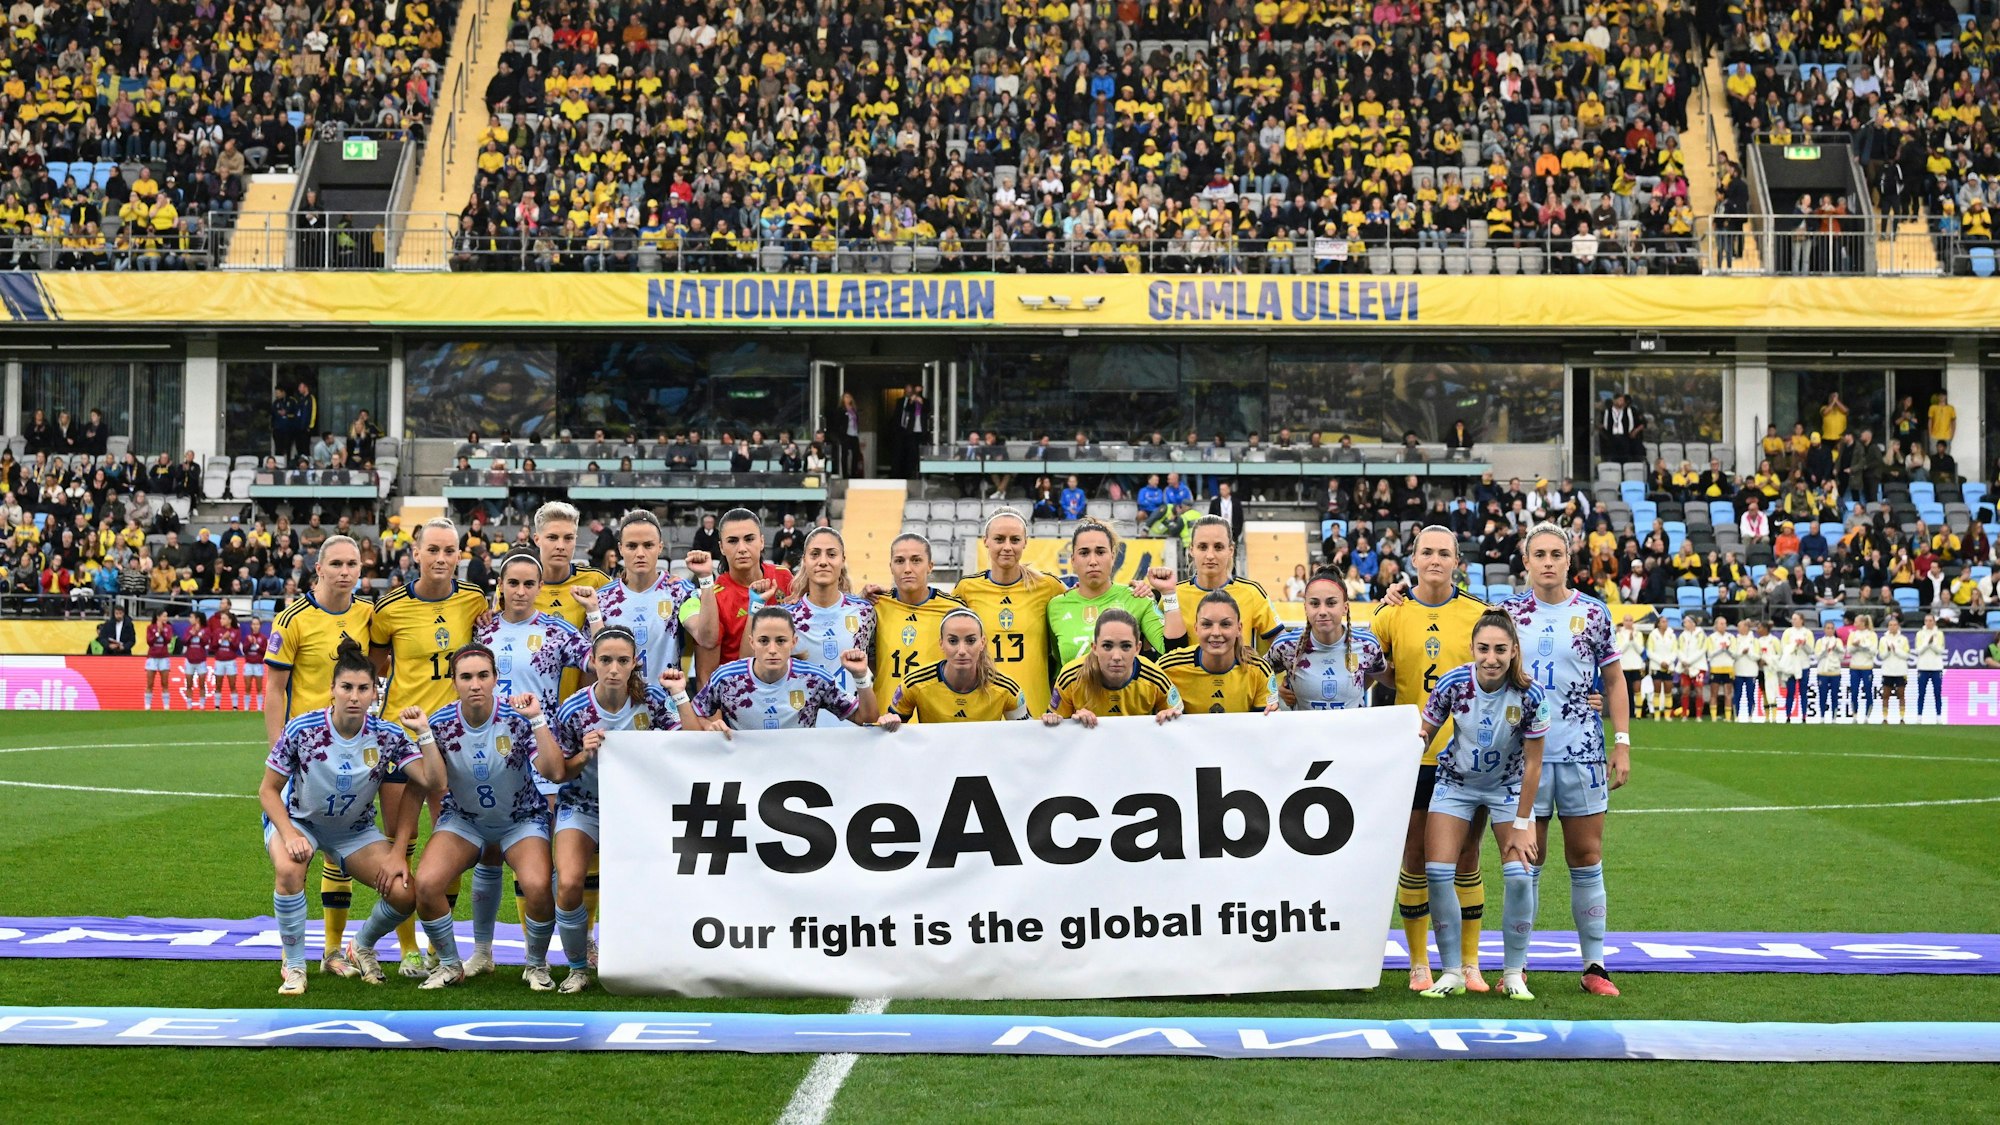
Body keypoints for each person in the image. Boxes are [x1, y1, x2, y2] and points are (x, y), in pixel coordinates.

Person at [259, 638, 440, 995]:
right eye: (346, 687)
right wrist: (290, 834)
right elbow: (267, 791)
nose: (354, 696)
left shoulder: (387, 736)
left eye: (363, 688)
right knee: (289, 869)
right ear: (332, 690)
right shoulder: (302, 729)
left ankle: (360, 944)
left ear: (375, 692)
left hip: (353, 831)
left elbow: (432, 781)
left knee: (404, 893)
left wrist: (424, 733)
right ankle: (295, 966)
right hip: (300, 822)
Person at [1501, 524, 1630, 996]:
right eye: (1540, 554)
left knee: (1586, 857)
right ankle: (1515, 968)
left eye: (1557, 553)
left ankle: (1595, 966)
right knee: (1523, 864)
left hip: (1582, 753)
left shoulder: (1594, 613)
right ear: (1526, 561)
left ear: (1569, 560)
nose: (1549, 561)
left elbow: (1614, 681)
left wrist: (1622, 742)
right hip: (1523, 756)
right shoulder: (1508, 613)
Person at [1370, 526, 1493, 991]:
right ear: (1413, 559)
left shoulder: (1480, 615)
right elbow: (1358, 667)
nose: (1436, 559)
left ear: (1458, 560)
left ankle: (1470, 963)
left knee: (1466, 855)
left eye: (1445, 552)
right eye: (1427, 552)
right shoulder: (1390, 614)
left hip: (1467, 758)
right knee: (1415, 855)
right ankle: (1419, 963)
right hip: (1414, 755)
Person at [367, 516, 490, 978]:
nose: (441, 558)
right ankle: (407, 948)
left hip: (451, 741)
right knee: (405, 840)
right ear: (414, 554)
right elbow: (379, 666)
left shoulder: (474, 600)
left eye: (450, 550)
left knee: (448, 841)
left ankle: (440, 943)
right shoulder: (390, 608)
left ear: (460, 554)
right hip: (400, 738)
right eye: (433, 550)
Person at [405, 644, 560, 990]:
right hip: (465, 820)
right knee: (427, 885)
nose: (475, 684)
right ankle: (449, 964)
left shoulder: (518, 718)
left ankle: (535, 965)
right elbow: (435, 783)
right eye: (466, 677)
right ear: (454, 682)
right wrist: (424, 735)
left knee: (537, 885)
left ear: (495, 679)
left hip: (521, 818)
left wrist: (538, 719)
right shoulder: (440, 723)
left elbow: (553, 769)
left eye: (482, 676)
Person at [1415, 611, 1547, 1001]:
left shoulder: (1531, 694)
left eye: (1500, 650)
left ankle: (1513, 973)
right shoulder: (1454, 683)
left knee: (1522, 874)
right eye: (1484, 649)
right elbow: (1425, 732)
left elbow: (1534, 764)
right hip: (1456, 784)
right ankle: (1452, 972)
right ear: (1472, 649)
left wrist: (1523, 823)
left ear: (1514, 651)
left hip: (1508, 787)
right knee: (1437, 872)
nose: (1491, 658)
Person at [547, 627, 680, 992]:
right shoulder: (574, 708)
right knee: (570, 881)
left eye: (623, 661)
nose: (614, 669)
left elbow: (683, 741)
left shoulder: (651, 700)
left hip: (638, 808)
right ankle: (577, 966)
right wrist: (582, 753)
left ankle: (649, 957)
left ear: (635, 663)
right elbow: (560, 771)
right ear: (592, 661)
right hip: (583, 804)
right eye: (605, 660)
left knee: (654, 883)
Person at [669, 607, 875, 731]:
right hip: (744, 779)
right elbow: (695, 724)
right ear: (752, 642)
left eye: (781, 641)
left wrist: (861, 677)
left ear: (793, 642)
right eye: (764, 641)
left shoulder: (815, 679)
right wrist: (710, 726)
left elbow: (866, 718)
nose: (772, 649)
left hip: (800, 775)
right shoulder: (726, 678)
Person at [953, 510, 1070, 716]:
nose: (1007, 547)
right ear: (986, 541)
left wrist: (1136, 590)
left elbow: (1084, 603)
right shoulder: (966, 589)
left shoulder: (1048, 586)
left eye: (1015, 540)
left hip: (1036, 710)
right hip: (984, 709)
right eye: (999, 539)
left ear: (1025, 542)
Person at [597, 509, 715, 682]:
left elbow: (706, 638)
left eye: (648, 545)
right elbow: (593, 664)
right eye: (632, 546)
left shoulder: (679, 592)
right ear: (620, 548)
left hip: (665, 705)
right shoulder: (602, 599)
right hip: (617, 706)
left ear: (660, 547)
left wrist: (705, 578)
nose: (640, 553)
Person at [1048, 521, 1184, 666]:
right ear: (1073, 560)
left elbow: (1175, 654)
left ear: (1113, 556)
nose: (1093, 561)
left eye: (1100, 552)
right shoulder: (1055, 607)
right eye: (1084, 553)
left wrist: (1169, 594)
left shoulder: (1137, 598)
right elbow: (1056, 665)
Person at [880, 609, 1032, 726]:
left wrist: (1049, 723)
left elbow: (1027, 735)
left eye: (971, 640)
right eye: (953, 641)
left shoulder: (1007, 689)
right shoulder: (914, 683)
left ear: (982, 642)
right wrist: (888, 721)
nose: (961, 651)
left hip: (984, 766)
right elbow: (890, 733)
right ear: (941, 644)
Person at [786, 527, 877, 719]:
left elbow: (874, 665)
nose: (823, 562)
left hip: (853, 728)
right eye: (815, 554)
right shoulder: (787, 617)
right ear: (804, 560)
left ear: (843, 560)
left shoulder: (865, 612)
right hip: (802, 731)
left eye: (831, 554)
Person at [870, 533, 971, 705]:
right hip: (886, 717)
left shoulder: (954, 609)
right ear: (891, 567)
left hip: (935, 719)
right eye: (900, 561)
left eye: (916, 560)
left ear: (930, 566)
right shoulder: (875, 606)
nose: (907, 568)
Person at [1269, 570, 1387, 711]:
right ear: (1305, 607)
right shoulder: (1286, 645)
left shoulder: (1367, 645)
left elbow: (1378, 672)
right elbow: (1257, 675)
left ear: (1345, 608)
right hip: (1304, 732)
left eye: (1331, 603)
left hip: (1352, 732)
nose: (1322, 611)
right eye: (1314, 603)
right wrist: (1275, 692)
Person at [1045, 609, 1183, 726]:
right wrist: (1073, 723)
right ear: (1094, 648)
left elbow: (1183, 719)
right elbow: (1054, 731)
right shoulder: (1070, 677)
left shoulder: (1154, 677)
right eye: (1107, 646)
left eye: (1126, 646)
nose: (1116, 656)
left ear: (1137, 648)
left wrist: (1171, 717)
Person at [701, 508, 792, 672]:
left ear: (762, 542)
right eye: (733, 541)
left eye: (749, 539)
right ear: (721, 547)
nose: (742, 548)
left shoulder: (784, 577)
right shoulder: (715, 596)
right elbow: (706, 674)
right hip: (738, 691)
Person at [1158, 590, 1277, 714]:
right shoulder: (1168, 668)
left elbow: (1264, 727)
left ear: (1239, 628)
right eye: (1207, 624)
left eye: (1225, 624)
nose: (1216, 632)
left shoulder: (1259, 671)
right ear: (1196, 628)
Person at [1176, 516, 1283, 653]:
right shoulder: (1174, 595)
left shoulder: (1251, 592)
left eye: (1218, 547)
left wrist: (1261, 671)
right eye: (1202, 547)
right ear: (1191, 550)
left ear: (1230, 550)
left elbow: (1282, 646)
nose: (1210, 555)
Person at [530, 501, 616, 633]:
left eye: (568, 538)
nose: (560, 546)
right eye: (552, 538)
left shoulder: (597, 580)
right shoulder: (516, 585)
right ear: (537, 540)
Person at [1778, 612, 1816, 723]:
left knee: (1803, 691)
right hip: (1791, 666)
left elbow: (1811, 651)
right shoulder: (1787, 632)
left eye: (1796, 619)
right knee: (1790, 691)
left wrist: (1803, 644)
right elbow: (1784, 648)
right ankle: (1788, 715)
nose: (1793, 621)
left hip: (1804, 665)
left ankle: (1804, 715)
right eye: (1793, 619)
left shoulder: (1807, 633)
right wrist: (1793, 646)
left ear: (1801, 620)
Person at [1913, 613, 1947, 724]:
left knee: (1937, 692)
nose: (1928, 622)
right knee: (1921, 693)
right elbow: (1918, 651)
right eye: (1926, 620)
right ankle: (1919, 715)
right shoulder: (1920, 634)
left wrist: (1932, 645)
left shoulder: (1939, 634)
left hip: (1936, 667)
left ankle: (1939, 716)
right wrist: (1928, 643)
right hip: (1923, 667)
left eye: (1930, 620)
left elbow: (1940, 650)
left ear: (1934, 621)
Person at [1845, 613, 1878, 723]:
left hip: (1867, 666)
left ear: (1863, 623)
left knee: (1868, 691)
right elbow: (1849, 650)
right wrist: (1855, 646)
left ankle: (1867, 716)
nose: (1854, 624)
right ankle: (1855, 715)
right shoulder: (1853, 634)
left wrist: (1862, 646)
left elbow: (1873, 651)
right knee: (1854, 691)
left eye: (1856, 622)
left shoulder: (1872, 635)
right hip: (1854, 666)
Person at [1878, 616, 1911, 725]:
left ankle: (1902, 717)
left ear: (1898, 626)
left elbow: (1906, 655)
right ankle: (1885, 717)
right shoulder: (1883, 639)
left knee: (1901, 694)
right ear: (1888, 626)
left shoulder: (1903, 639)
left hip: (1900, 670)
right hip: (1887, 670)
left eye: (1895, 625)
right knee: (1885, 695)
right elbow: (1882, 656)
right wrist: (1888, 650)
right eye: (1890, 625)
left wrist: (1895, 649)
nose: (1893, 627)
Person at [1812, 621, 1846, 724]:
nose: (1830, 630)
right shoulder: (1820, 642)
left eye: (1832, 628)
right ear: (1824, 629)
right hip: (1822, 672)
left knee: (1835, 695)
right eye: (1828, 628)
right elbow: (1817, 657)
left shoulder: (1838, 641)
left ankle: (1834, 717)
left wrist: (1837, 649)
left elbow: (1842, 657)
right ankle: (1822, 716)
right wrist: (1825, 650)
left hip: (1835, 672)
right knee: (1823, 695)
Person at [1645, 616, 1679, 720]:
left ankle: (1668, 716)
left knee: (1668, 691)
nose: (1665, 623)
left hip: (1669, 666)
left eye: (1666, 621)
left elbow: (1675, 651)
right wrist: (1661, 662)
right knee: (1657, 691)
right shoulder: (1653, 635)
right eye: (1663, 621)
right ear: (1658, 623)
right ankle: (1657, 715)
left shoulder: (1672, 635)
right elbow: (1649, 651)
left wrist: (1668, 662)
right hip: (1656, 666)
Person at [1675, 616, 1709, 720]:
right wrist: (1683, 661)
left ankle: (1699, 715)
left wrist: (1689, 662)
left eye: (1687, 621)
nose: (1685, 623)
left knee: (1699, 689)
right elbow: (1678, 649)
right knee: (1685, 690)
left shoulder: (1701, 635)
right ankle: (1684, 714)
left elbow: (1701, 650)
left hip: (1698, 667)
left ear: (1693, 623)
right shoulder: (1682, 636)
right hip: (1684, 667)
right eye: (1684, 622)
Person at [1729, 618, 1762, 722]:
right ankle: (1737, 715)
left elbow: (1758, 656)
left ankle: (1750, 715)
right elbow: (1732, 654)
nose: (1738, 628)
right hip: (1738, 671)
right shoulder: (1735, 639)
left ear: (1746, 627)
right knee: (1737, 694)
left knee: (1750, 694)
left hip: (1751, 671)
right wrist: (1741, 653)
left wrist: (1749, 653)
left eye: (1740, 626)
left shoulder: (1755, 640)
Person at [210, 609, 243, 711]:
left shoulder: (236, 632)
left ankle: (235, 706)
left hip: (230, 661)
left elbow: (236, 647)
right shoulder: (217, 632)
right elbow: (213, 647)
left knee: (232, 684)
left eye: (224, 618)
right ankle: (216, 706)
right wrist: (221, 640)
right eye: (221, 619)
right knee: (218, 684)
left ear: (229, 620)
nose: (221, 621)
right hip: (219, 660)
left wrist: (230, 640)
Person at [180, 609, 212, 711]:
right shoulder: (188, 629)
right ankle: (189, 705)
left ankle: (202, 705)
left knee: (202, 684)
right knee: (189, 683)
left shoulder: (205, 629)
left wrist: (198, 634)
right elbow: (184, 641)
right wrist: (191, 634)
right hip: (189, 659)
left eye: (192, 617)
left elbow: (206, 642)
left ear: (197, 619)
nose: (190, 619)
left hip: (201, 660)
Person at [1705, 616, 1735, 721]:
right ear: (1716, 625)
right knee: (1714, 693)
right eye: (1721, 624)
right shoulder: (1711, 638)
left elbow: (1735, 654)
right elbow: (1709, 654)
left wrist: (1727, 650)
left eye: (1725, 624)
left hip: (1728, 668)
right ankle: (1713, 717)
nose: (1723, 626)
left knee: (1728, 693)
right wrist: (1721, 649)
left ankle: (1728, 717)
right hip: (1716, 668)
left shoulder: (1731, 637)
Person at [143, 609, 174, 710]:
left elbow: (168, 640)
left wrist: (162, 633)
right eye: (164, 616)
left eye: (166, 616)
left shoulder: (168, 628)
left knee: (165, 683)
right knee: (150, 683)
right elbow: (149, 641)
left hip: (164, 657)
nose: (166, 618)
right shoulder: (150, 627)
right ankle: (147, 706)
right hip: (152, 657)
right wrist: (157, 633)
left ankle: (166, 706)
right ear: (158, 617)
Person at [1614, 619, 1645, 717]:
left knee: (1637, 689)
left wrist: (1633, 641)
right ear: (1623, 622)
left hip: (1636, 665)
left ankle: (1638, 714)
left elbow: (1640, 650)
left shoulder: (1638, 634)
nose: (1628, 622)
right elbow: (1619, 650)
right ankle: (1626, 713)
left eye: (1630, 620)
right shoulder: (1619, 634)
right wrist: (1628, 641)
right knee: (1625, 691)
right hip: (1624, 666)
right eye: (1626, 620)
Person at [242, 616, 269, 712]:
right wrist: (250, 643)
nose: (255, 626)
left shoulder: (263, 638)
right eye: (253, 624)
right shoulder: (247, 637)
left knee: (259, 687)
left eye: (257, 624)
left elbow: (265, 652)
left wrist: (256, 644)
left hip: (258, 665)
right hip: (248, 664)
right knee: (248, 686)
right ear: (251, 626)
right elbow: (244, 650)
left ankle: (259, 708)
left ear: (260, 626)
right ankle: (246, 707)